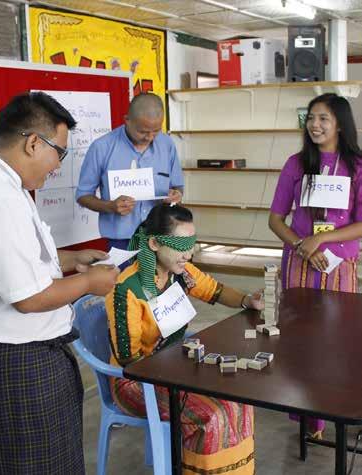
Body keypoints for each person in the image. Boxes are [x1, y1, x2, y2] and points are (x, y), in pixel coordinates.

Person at [0, 91, 119, 474]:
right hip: (16, 365)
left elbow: (12, 262)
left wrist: (69, 261)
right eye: (60, 153)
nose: (58, 165)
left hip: (19, 357)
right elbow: (28, 296)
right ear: (33, 142)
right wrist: (90, 283)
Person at [106, 203, 263, 475]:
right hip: (136, 382)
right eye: (181, 244)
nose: (188, 253)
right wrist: (182, 373)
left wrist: (247, 300)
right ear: (154, 243)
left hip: (174, 367)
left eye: (192, 243)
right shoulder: (126, 290)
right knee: (210, 415)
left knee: (240, 400)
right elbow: (130, 362)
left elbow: (214, 290)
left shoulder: (182, 274)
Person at [269, 93, 362, 438]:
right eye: (310, 118)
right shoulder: (296, 163)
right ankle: (310, 416)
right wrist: (301, 245)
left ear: (340, 124)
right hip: (299, 262)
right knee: (302, 338)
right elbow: (275, 219)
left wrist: (320, 240)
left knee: (338, 337)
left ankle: (339, 404)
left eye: (323, 118)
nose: (315, 124)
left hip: (339, 262)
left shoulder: (357, 166)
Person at [76, 92, 184, 252]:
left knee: (160, 279)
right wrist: (110, 206)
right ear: (127, 120)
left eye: (156, 131)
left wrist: (176, 195)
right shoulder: (102, 148)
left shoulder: (167, 144)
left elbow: (178, 187)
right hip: (121, 242)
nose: (150, 137)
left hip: (161, 237)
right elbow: (83, 196)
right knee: (124, 278)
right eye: (143, 131)